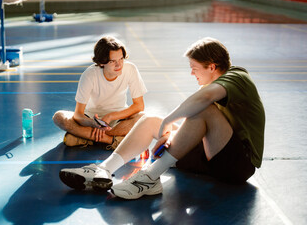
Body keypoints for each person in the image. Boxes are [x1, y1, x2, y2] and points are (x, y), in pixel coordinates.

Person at [59, 37, 265, 200]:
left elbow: (205, 100)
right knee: (151, 120)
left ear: (211, 67)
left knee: (203, 109)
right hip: (209, 158)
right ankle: (104, 170)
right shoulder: (210, 85)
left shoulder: (238, 76)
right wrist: (170, 135)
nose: (191, 73)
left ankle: (149, 176)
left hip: (238, 166)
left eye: (194, 67)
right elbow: (194, 122)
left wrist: (169, 122)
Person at [53, 36, 147, 149]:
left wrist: (111, 116)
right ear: (102, 63)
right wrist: (94, 124)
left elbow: (139, 106)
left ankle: (88, 137)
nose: (119, 65)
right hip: (91, 118)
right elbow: (78, 114)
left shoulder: (130, 69)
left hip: (119, 119)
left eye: (121, 59)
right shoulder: (89, 75)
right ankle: (112, 140)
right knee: (59, 117)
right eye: (113, 61)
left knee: (143, 117)